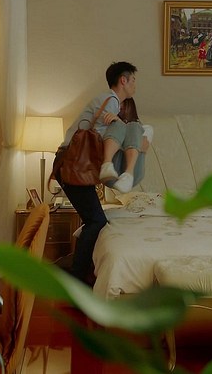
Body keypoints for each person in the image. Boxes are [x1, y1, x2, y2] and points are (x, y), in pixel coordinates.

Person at [53, 61, 148, 284]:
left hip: (74, 165)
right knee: (96, 221)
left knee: (94, 220)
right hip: (73, 165)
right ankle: (76, 276)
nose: (135, 85)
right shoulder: (110, 101)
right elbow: (98, 138)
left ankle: (78, 270)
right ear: (123, 80)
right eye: (133, 80)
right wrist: (120, 125)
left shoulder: (108, 102)